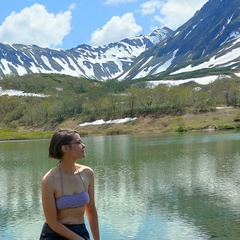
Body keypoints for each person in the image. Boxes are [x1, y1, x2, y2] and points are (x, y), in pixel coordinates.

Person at [39, 128, 100, 240]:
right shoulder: (49, 180)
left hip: (80, 231)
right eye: (78, 142)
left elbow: (91, 210)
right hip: (54, 234)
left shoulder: (87, 173)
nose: (83, 145)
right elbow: (52, 222)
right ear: (65, 148)